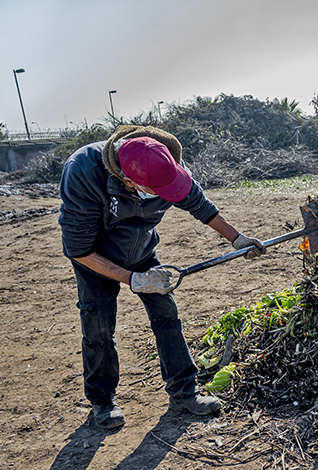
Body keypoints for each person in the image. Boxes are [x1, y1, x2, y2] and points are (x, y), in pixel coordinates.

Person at [59, 125, 266, 429]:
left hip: (141, 251)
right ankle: (102, 402)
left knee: (166, 313)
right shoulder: (83, 172)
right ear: (128, 181)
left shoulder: (164, 159)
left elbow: (199, 204)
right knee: (99, 326)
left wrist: (237, 239)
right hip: (97, 259)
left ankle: (184, 392)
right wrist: (133, 280)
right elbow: (78, 249)